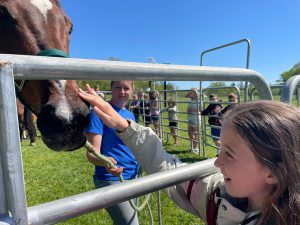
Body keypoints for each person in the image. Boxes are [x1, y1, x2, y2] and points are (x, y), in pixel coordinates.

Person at [79, 88, 300, 225]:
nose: (217, 162)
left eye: (229, 154)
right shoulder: (217, 199)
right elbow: (168, 169)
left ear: (272, 172)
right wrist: (124, 127)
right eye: (219, 151)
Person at [84, 81, 139, 225]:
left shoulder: (130, 115)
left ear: (132, 91)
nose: (122, 91)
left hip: (134, 176)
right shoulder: (98, 113)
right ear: (111, 89)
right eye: (117, 87)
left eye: (126, 88)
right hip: (111, 179)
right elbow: (91, 154)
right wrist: (106, 162)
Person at [186, 88, 201, 154]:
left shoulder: (199, 101)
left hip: (196, 119)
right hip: (190, 118)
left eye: (192, 92)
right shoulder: (190, 101)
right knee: (189, 133)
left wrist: (192, 110)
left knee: (196, 134)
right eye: (190, 92)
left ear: (195, 93)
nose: (190, 93)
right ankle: (193, 146)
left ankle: (196, 148)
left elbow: (198, 109)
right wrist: (190, 110)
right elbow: (188, 109)